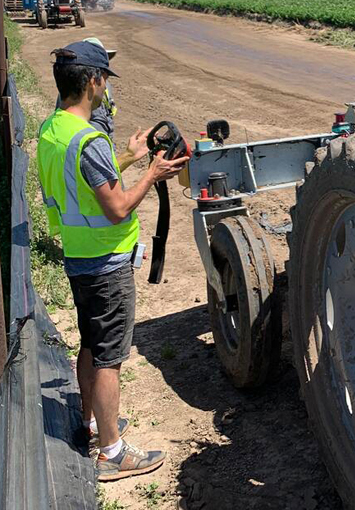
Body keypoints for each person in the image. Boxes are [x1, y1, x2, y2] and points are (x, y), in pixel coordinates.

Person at [36, 40, 188, 481]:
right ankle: (112, 451)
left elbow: (86, 178)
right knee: (109, 358)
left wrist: (128, 155)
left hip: (79, 257)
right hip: (106, 265)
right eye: (104, 78)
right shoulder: (89, 140)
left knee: (89, 343)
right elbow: (117, 207)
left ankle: (90, 423)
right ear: (93, 80)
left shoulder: (54, 129)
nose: (105, 87)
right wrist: (153, 173)